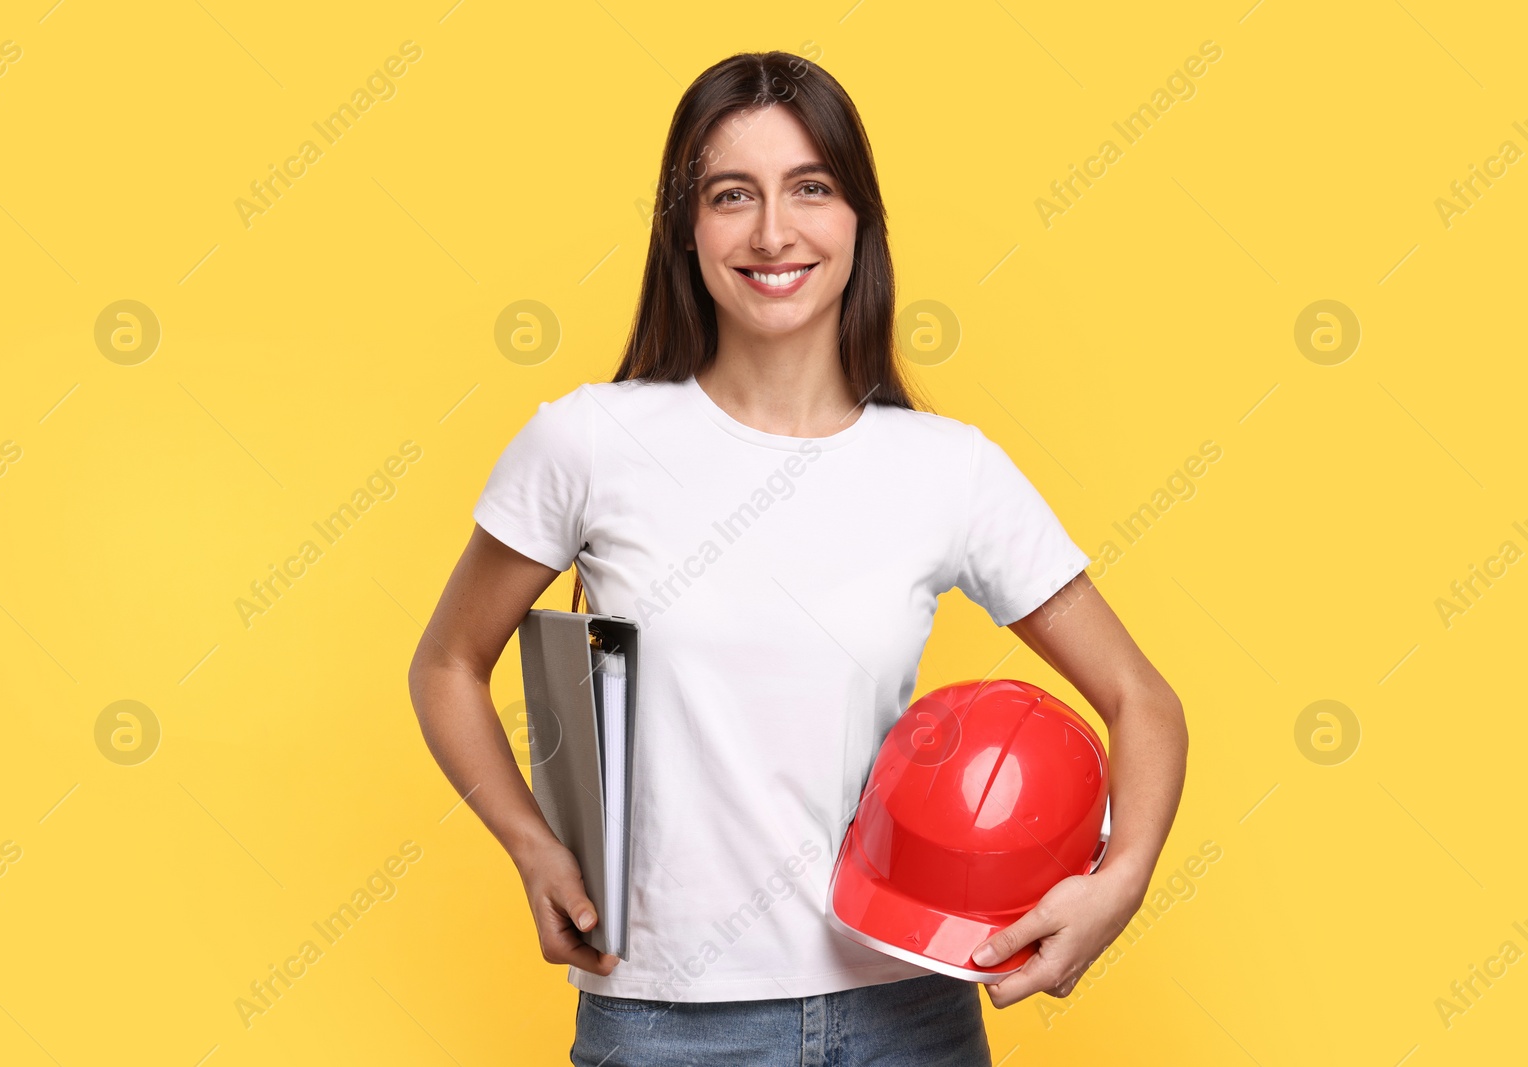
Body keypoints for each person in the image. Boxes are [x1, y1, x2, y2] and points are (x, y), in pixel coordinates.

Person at [407, 50, 1187, 1067]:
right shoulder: (589, 442)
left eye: (809, 188)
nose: (773, 232)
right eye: (733, 195)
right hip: (663, 1025)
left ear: (859, 218)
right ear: (686, 229)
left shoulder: (943, 468)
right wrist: (532, 843)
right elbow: (447, 664)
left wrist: (1116, 883)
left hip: (909, 1015)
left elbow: (1142, 699)